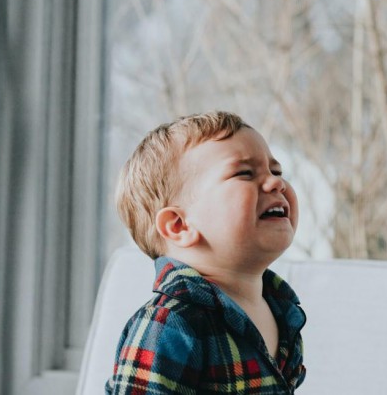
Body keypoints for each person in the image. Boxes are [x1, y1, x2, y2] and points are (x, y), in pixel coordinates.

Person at [107, 111, 306, 394]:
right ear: (179, 225)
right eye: (245, 173)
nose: (277, 183)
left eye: (276, 171)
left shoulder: (283, 312)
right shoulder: (169, 323)